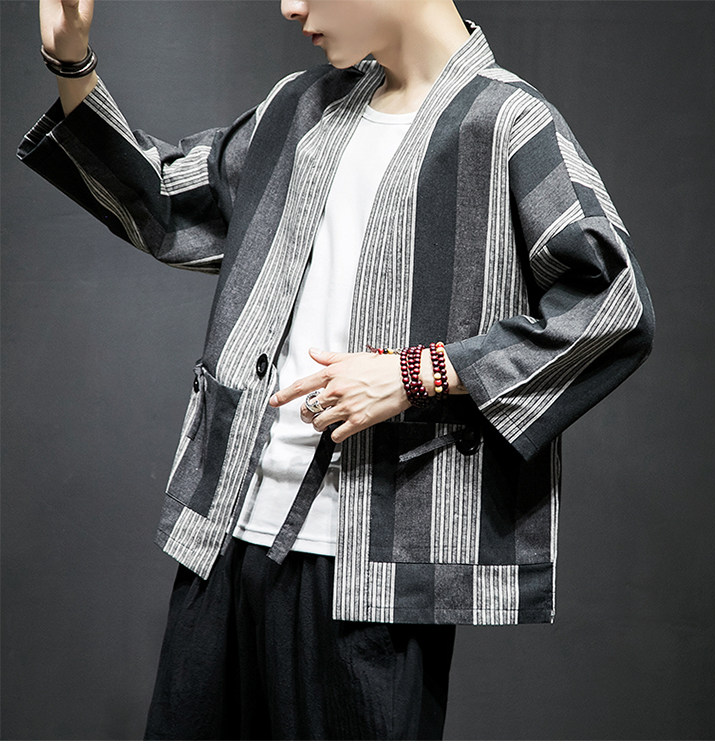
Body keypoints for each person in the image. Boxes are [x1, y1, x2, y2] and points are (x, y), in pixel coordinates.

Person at [19, 0, 654, 740]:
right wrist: (73, 65)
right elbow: (165, 202)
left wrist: (421, 372)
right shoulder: (301, 107)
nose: (290, 6)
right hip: (224, 534)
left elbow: (613, 307)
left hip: (373, 567)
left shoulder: (506, 123)